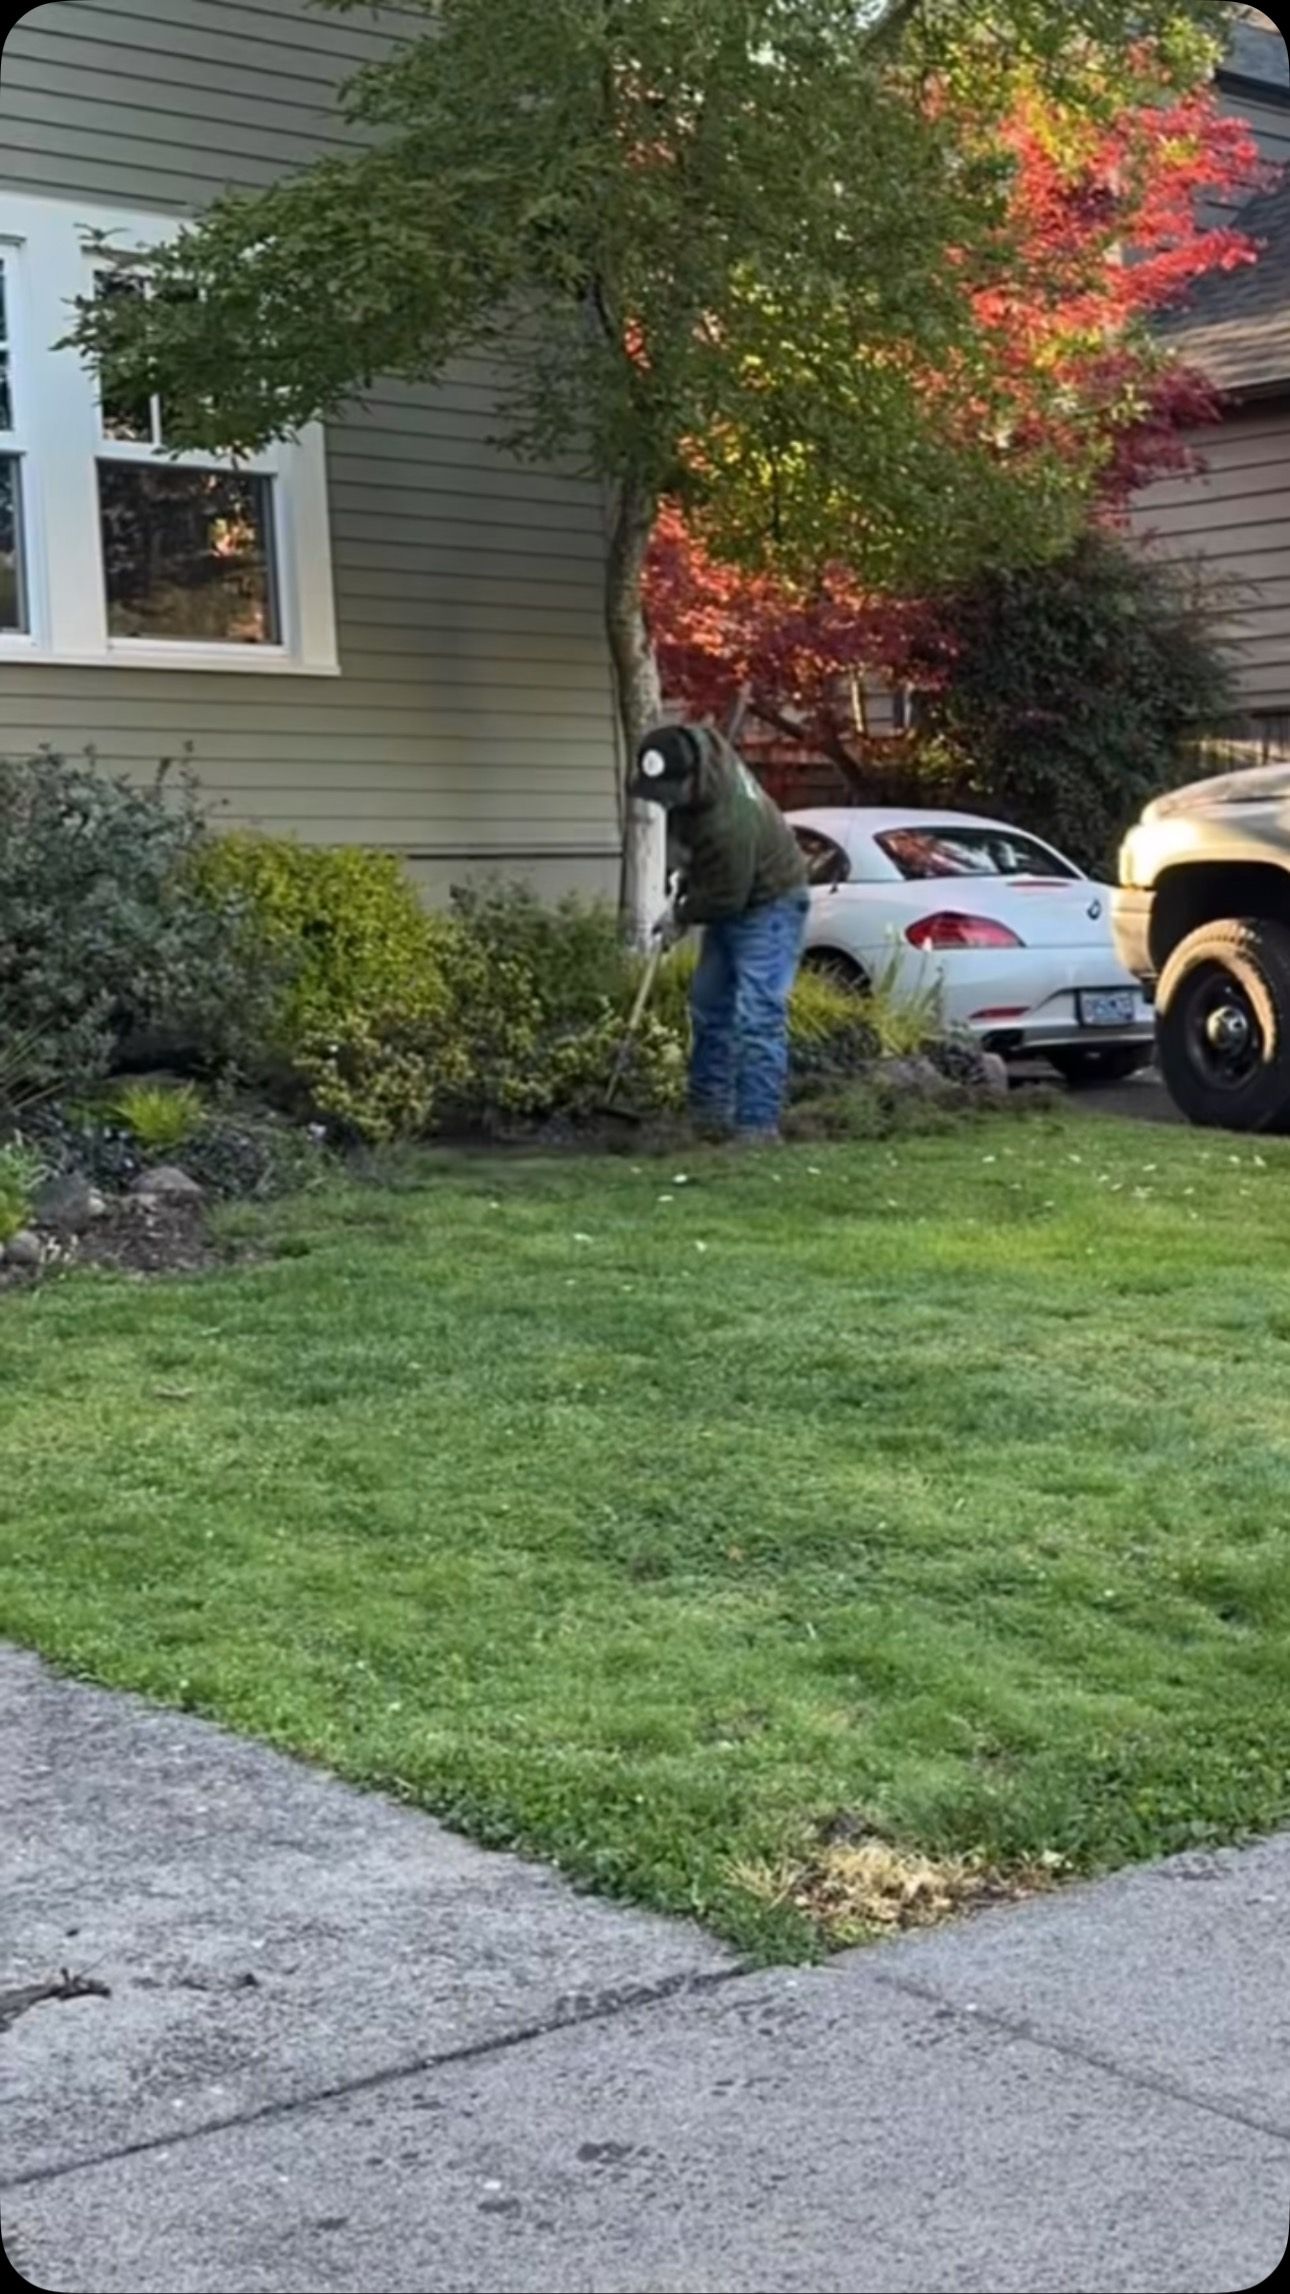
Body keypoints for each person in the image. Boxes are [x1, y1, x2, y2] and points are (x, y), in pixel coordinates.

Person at [629, 721, 810, 1143]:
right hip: (730, 891)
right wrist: (679, 872)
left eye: (670, 794)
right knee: (709, 1007)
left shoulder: (729, 820)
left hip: (770, 903)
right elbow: (700, 856)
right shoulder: (694, 758)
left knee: (757, 1015)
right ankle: (708, 1115)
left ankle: (757, 1127)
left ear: (691, 781)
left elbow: (727, 896)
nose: (664, 803)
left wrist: (681, 916)